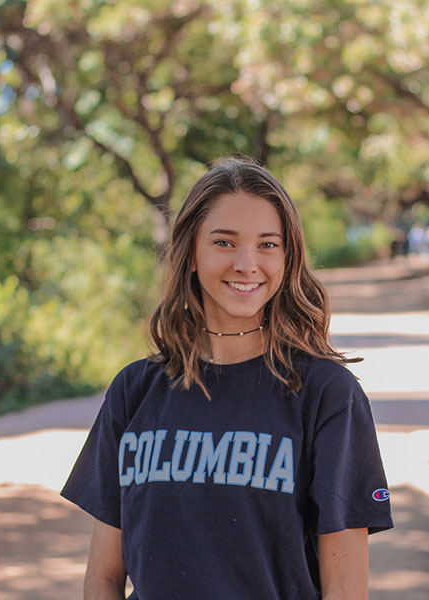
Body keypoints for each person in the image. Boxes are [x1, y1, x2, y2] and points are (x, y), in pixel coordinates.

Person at [61, 157, 393, 599]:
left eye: (267, 245)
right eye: (224, 242)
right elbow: (103, 577)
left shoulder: (327, 396)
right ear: (191, 255)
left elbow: (346, 590)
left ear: (288, 258)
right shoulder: (135, 391)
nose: (246, 263)